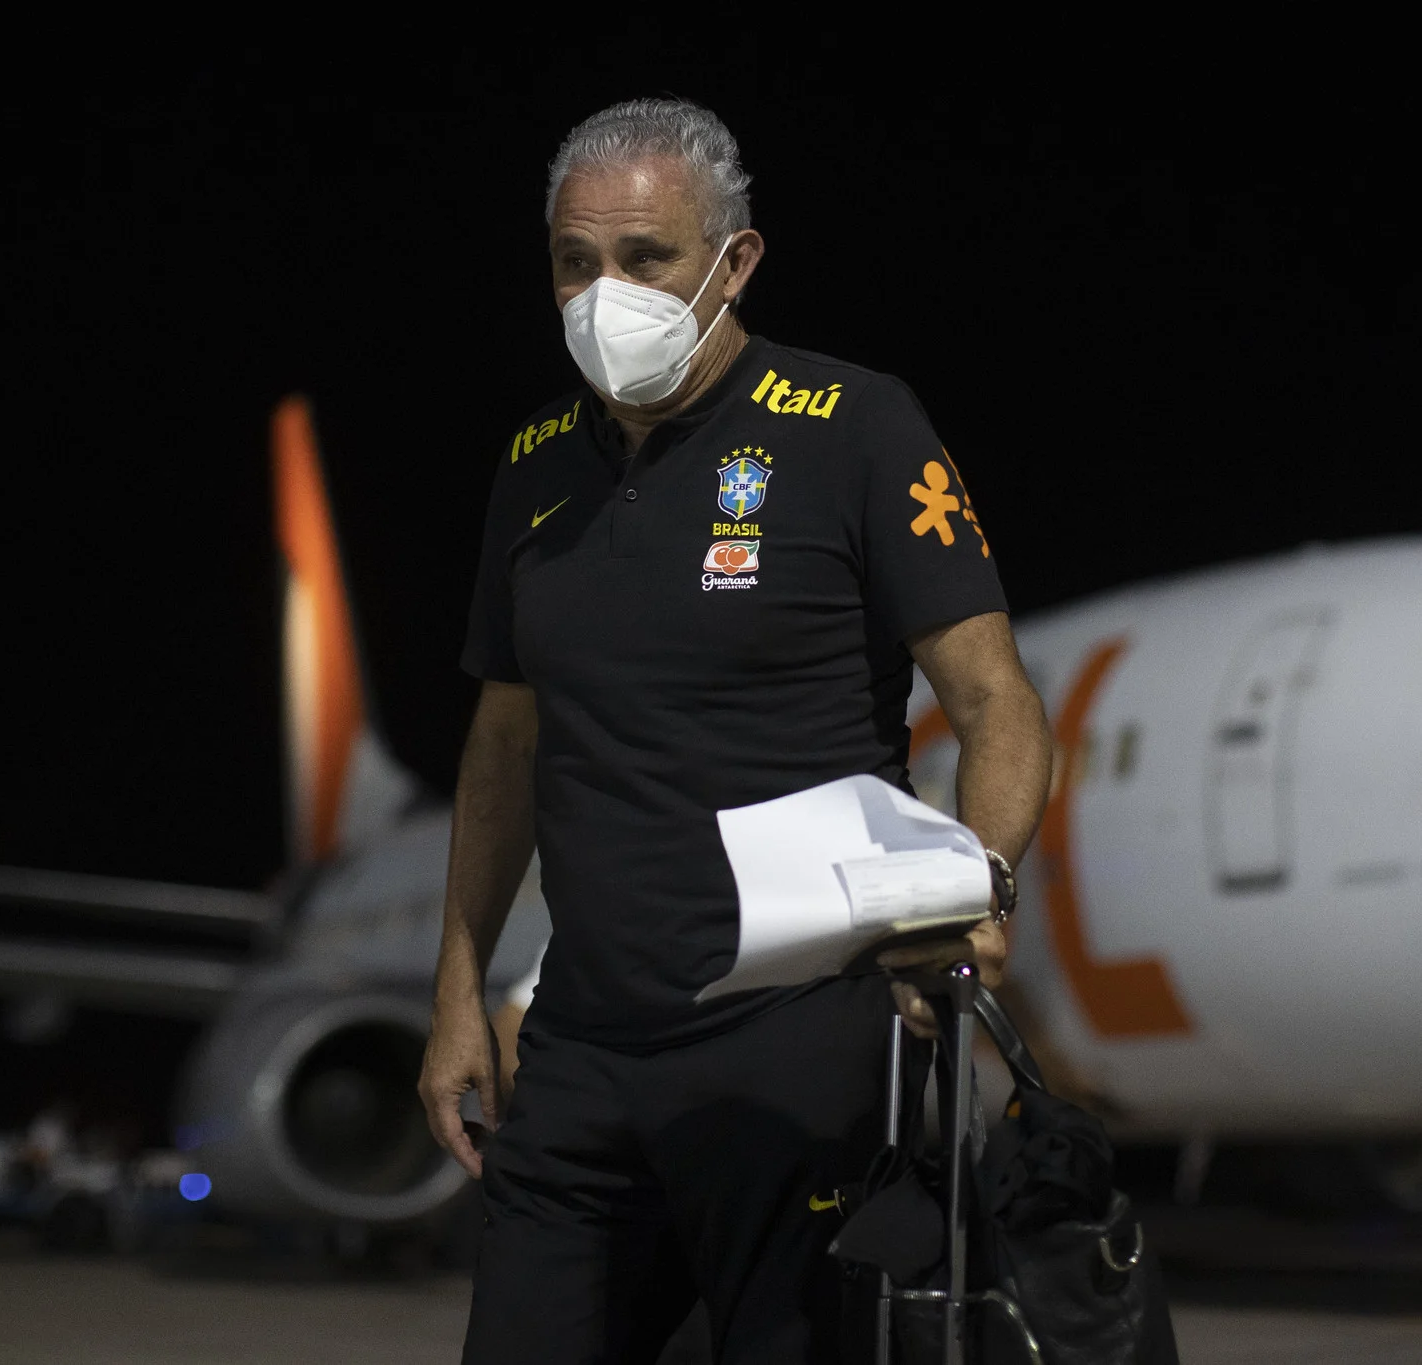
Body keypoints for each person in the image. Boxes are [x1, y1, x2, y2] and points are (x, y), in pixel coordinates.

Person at [417, 97, 1054, 1365]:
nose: (607, 292)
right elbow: (502, 751)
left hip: (797, 1044)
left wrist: (975, 897)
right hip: (584, 1041)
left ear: (735, 260)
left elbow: (997, 704)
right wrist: (454, 991)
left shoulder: (858, 426)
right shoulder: (536, 465)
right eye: (574, 262)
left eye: (645, 258)